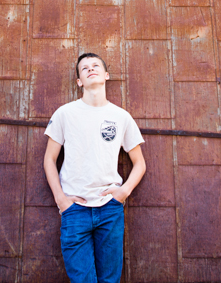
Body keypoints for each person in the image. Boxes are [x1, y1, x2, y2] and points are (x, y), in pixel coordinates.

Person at [43, 52, 146, 283]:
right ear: (79, 81)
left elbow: (139, 163)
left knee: (110, 280)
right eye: (84, 68)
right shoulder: (65, 113)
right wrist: (61, 200)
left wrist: (123, 192)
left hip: (109, 209)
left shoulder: (121, 117)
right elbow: (49, 159)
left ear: (106, 75)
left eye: (95, 65)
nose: (90, 69)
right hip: (74, 209)